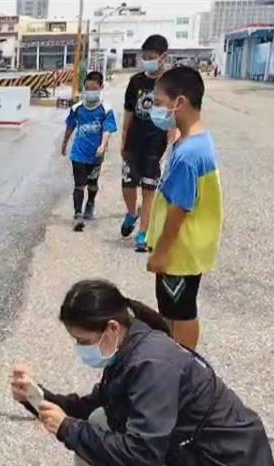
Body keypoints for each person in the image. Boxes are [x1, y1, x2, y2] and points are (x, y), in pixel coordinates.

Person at [10, 280, 274, 466]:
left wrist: (69, 430)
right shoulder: (134, 344)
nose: (79, 348)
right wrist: (36, 397)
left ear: (112, 328)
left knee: (89, 459)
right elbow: (92, 406)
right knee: (100, 419)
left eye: (82, 340)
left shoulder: (151, 365)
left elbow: (142, 456)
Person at [145, 66, 222, 350]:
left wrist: (161, 253)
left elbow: (179, 210)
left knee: (179, 311)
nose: (155, 109)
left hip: (179, 249)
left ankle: (183, 364)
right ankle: (177, 360)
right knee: (176, 308)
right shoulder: (194, 140)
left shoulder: (189, 154)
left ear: (180, 103)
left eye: (159, 102)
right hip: (187, 247)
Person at [121, 34, 175, 252]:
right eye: (145, 57)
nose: (148, 60)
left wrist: (172, 144)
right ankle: (132, 213)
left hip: (156, 145)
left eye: (152, 57)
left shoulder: (170, 83)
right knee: (127, 185)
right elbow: (128, 112)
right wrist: (123, 139)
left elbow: (174, 116)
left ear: (163, 57)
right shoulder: (135, 82)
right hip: (134, 142)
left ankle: (143, 234)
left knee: (149, 189)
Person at [61, 71, 118, 232]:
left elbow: (107, 129)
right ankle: (77, 215)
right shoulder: (77, 108)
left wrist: (103, 144)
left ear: (101, 87)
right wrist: (64, 143)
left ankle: (90, 204)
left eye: (94, 88)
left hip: (96, 155)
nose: (90, 91)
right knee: (79, 185)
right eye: (87, 88)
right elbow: (70, 126)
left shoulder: (106, 109)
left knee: (92, 184)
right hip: (78, 153)